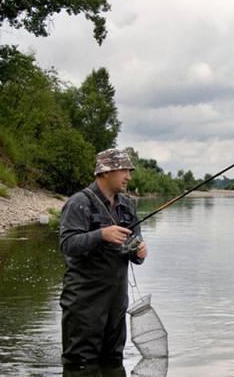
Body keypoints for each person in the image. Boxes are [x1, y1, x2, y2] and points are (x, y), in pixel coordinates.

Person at [58, 148, 148, 370]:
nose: (129, 176)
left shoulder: (128, 206)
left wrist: (139, 252)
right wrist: (102, 234)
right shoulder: (79, 203)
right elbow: (67, 245)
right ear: (106, 172)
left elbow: (135, 248)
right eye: (124, 170)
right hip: (84, 302)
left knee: (113, 361)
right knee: (80, 364)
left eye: (129, 171)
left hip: (116, 302)